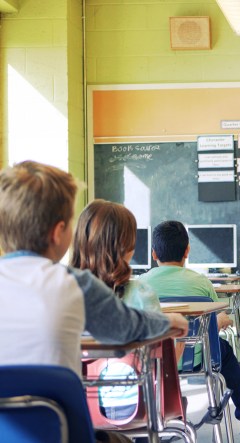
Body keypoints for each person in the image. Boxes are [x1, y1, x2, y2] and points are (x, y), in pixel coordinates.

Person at [0, 161, 188, 443]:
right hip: (65, 433)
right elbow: (126, 328)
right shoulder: (75, 284)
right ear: (58, 232)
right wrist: (168, 321)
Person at [138, 220, 240, 441]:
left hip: (154, 362)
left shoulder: (141, 284)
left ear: (154, 253)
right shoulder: (201, 282)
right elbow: (215, 320)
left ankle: (149, 420)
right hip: (198, 359)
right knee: (224, 350)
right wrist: (222, 320)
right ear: (187, 251)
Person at [70, 199, 166, 420]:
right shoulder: (141, 294)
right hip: (131, 408)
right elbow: (162, 362)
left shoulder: (59, 293)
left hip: (72, 409)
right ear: (127, 248)